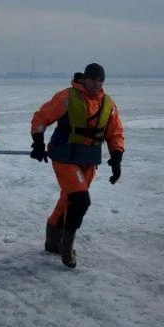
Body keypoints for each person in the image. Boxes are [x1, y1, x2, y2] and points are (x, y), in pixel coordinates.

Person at [30, 62, 125, 268]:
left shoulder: (108, 105)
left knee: (68, 201)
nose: (96, 84)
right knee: (80, 201)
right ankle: (66, 248)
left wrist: (116, 158)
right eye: (92, 80)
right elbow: (41, 117)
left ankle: (52, 242)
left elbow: (115, 133)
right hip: (64, 157)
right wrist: (38, 142)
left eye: (100, 81)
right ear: (84, 79)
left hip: (88, 160)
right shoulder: (67, 97)